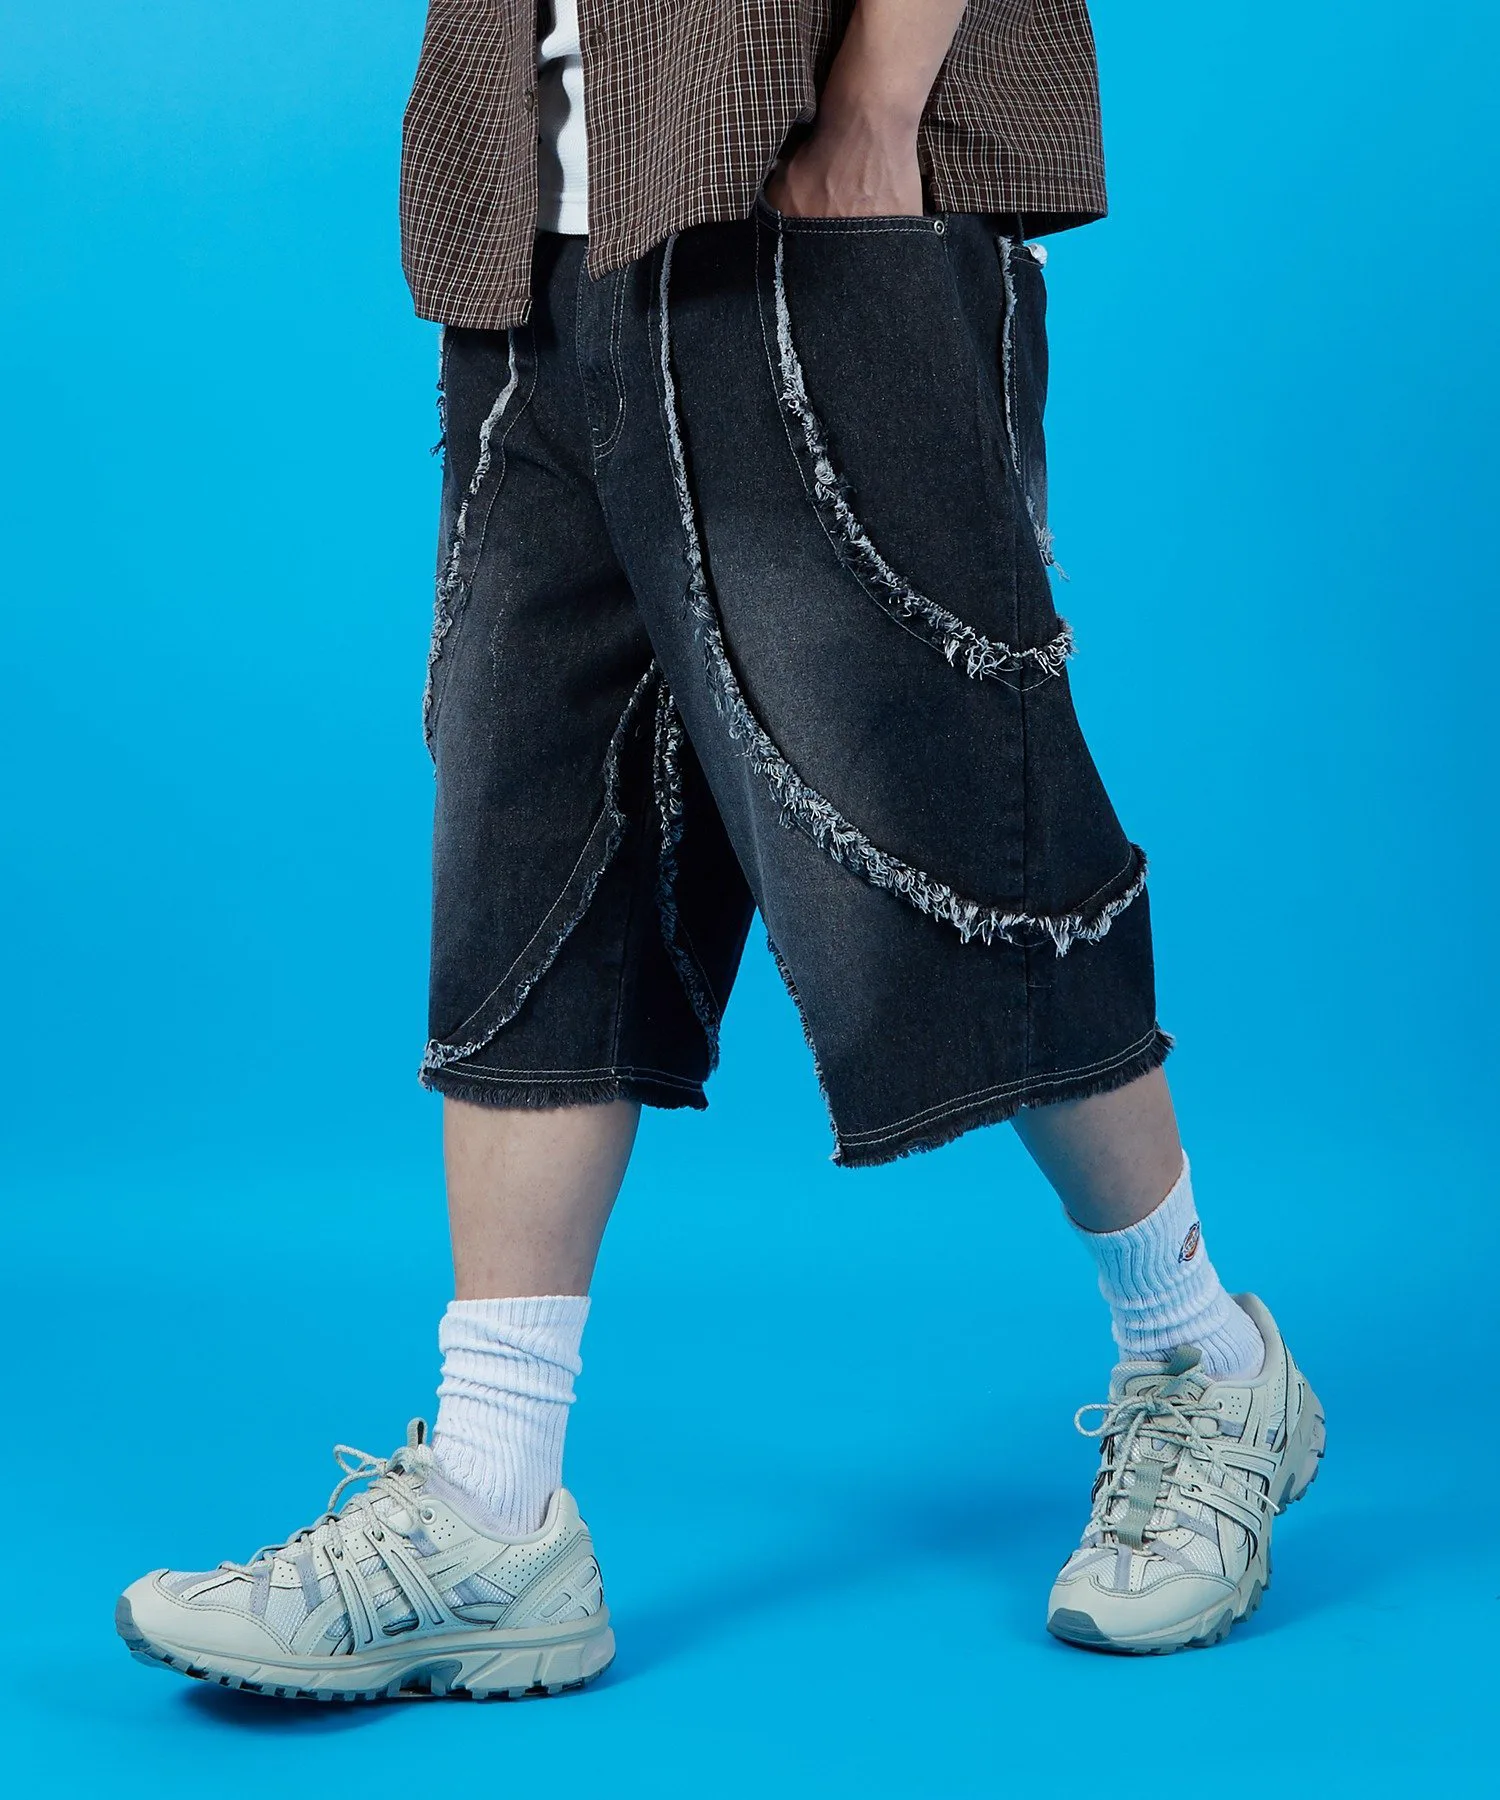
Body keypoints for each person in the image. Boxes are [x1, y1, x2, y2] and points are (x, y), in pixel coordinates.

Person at [115, 1, 1323, 1699]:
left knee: (949, 839)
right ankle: (491, 1511)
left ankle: (1205, 1363)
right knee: (533, 860)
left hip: (807, 204)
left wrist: (873, 117)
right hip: (539, 244)